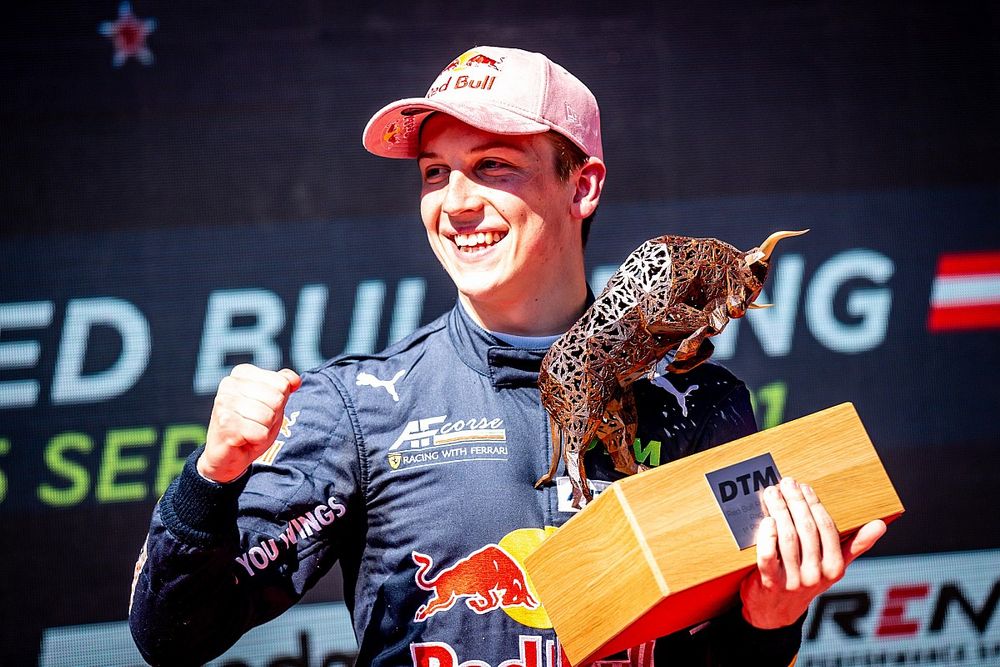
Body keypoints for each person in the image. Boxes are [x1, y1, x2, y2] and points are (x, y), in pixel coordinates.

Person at [129, 46, 886, 666]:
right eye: (434, 171)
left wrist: (771, 618)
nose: (454, 202)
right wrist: (213, 475)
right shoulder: (361, 407)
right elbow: (171, 634)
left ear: (582, 185)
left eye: (492, 165)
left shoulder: (700, 401)